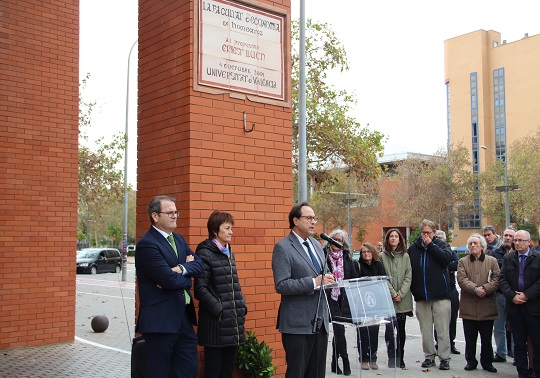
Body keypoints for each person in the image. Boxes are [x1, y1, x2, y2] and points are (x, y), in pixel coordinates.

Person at [135, 195, 204, 378]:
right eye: (169, 212)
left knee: (188, 370)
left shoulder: (179, 239)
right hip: (160, 322)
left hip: (183, 318)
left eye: (176, 212)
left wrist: (181, 268)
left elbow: (199, 266)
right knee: (160, 373)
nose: (175, 216)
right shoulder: (147, 245)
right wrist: (187, 278)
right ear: (155, 216)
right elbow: (169, 280)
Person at [272, 202, 335, 378]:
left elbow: (323, 274)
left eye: (314, 218)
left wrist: (329, 279)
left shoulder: (316, 245)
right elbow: (282, 284)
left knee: (316, 374)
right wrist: (313, 283)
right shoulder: (283, 247)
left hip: (320, 322)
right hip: (297, 325)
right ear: (296, 221)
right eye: (309, 218)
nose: (313, 222)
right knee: (297, 373)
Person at [194, 211, 247, 378]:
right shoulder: (205, 253)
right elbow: (200, 289)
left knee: (227, 370)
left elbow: (233, 285)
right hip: (215, 325)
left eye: (232, 228)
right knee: (213, 371)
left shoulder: (228, 252)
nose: (231, 232)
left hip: (232, 322)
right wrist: (220, 309)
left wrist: (241, 306)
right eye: (227, 228)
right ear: (215, 231)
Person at [409, 219, 453, 370]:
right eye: (423, 232)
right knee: (426, 331)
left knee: (442, 330)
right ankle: (429, 356)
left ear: (434, 233)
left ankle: (444, 358)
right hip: (422, 297)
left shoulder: (442, 245)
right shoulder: (413, 249)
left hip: (441, 296)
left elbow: (447, 259)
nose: (425, 235)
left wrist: (431, 246)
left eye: (428, 232)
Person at [457, 233, 500, 373]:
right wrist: (475, 289)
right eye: (470, 244)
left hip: (487, 306)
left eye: (475, 243)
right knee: (470, 338)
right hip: (469, 306)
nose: (473, 246)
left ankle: (487, 362)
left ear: (482, 246)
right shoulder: (462, 262)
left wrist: (485, 289)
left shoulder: (492, 261)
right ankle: (471, 361)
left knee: (486, 338)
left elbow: (497, 279)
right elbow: (462, 280)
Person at [500, 230, 540, 378]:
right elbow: (502, 280)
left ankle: (536, 371)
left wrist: (527, 295)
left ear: (529, 242)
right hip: (515, 308)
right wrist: (512, 296)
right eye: (515, 240)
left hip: (533, 308)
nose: (516, 243)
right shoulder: (508, 258)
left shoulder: (537, 258)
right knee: (518, 344)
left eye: (520, 240)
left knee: (537, 342)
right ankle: (523, 373)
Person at [325, 229, 357, 376]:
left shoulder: (347, 258)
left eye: (340, 240)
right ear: (330, 240)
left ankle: (334, 361)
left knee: (339, 330)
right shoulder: (324, 256)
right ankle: (345, 360)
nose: (337, 242)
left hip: (343, 299)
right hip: (329, 297)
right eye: (335, 239)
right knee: (339, 330)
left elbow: (353, 277)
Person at [380, 228, 413, 369]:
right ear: (387, 239)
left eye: (396, 236)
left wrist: (401, 293)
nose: (393, 238)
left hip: (403, 300)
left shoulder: (405, 256)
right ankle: (391, 356)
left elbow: (408, 276)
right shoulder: (382, 256)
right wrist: (393, 293)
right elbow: (382, 276)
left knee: (401, 330)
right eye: (391, 236)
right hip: (388, 299)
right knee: (389, 331)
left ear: (400, 239)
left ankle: (401, 357)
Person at [355, 242, 386, 370]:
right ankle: (363, 359)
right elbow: (354, 282)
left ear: (373, 252)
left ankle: (373, 358)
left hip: (376, 303)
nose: (366, 254)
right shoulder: (357, 265)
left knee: (374, 332)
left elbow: (383, 280)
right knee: (362, 332)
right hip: (362, 304)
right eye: (364, 252)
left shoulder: (378, 265)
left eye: (368, 251)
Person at [489, 227, 516, 362]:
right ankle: (501, 353)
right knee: (499, 327)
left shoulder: (519, 254)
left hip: (515, 296)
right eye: (506, 235)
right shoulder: (495, 253)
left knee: (516, 327)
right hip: (499, 295)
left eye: (511, 236)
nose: (507, 238)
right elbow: (494, 272)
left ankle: (517, 355)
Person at [434, 230, 461, 355]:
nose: (439, 240)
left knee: (452, 318)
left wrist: (443, 265)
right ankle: (438, 343)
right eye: (437, 237)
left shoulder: (449, 250)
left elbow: (457, 264)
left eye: (441, 238)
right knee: (438, 320)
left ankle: (451, 343)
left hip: (451, 290)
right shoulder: (433, 252)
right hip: (438, 291)